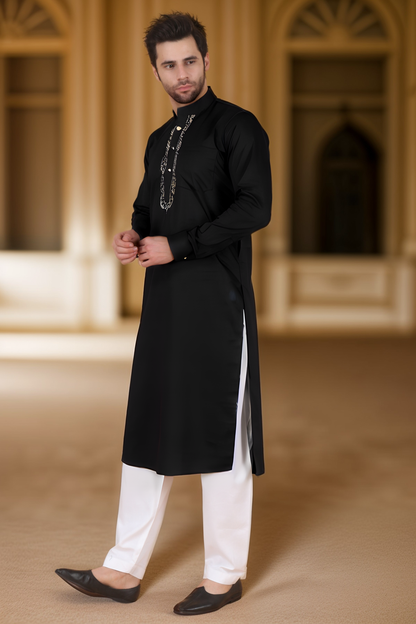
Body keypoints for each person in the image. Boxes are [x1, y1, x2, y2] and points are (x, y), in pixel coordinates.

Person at [56, 12, 272, 616]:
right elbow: (147, 205)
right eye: (169, 65)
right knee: (149, 425)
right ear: (156, 70)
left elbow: (255, 207)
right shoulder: (159, 139)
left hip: (218, 304)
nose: (182, 74)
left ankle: (224, 575)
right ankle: (122, 569)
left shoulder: (238, 127)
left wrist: (178, 245)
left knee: (220, 434)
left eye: (190, 61)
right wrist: (134, 235)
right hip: (165, 305)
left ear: (206, 60)